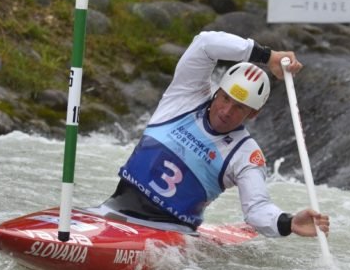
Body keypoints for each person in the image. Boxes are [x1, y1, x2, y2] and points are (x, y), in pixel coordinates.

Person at [90, 31, 330, 238]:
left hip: (169, 235)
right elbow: (205, 43)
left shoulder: (245, 155)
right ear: (218, 91)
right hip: (112, 210)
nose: (226, 111)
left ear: (253, 114)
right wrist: (267, 56)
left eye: (240, 108)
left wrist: (289, 223)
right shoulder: (184, 97)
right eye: (226, 98)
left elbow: (257, 209)